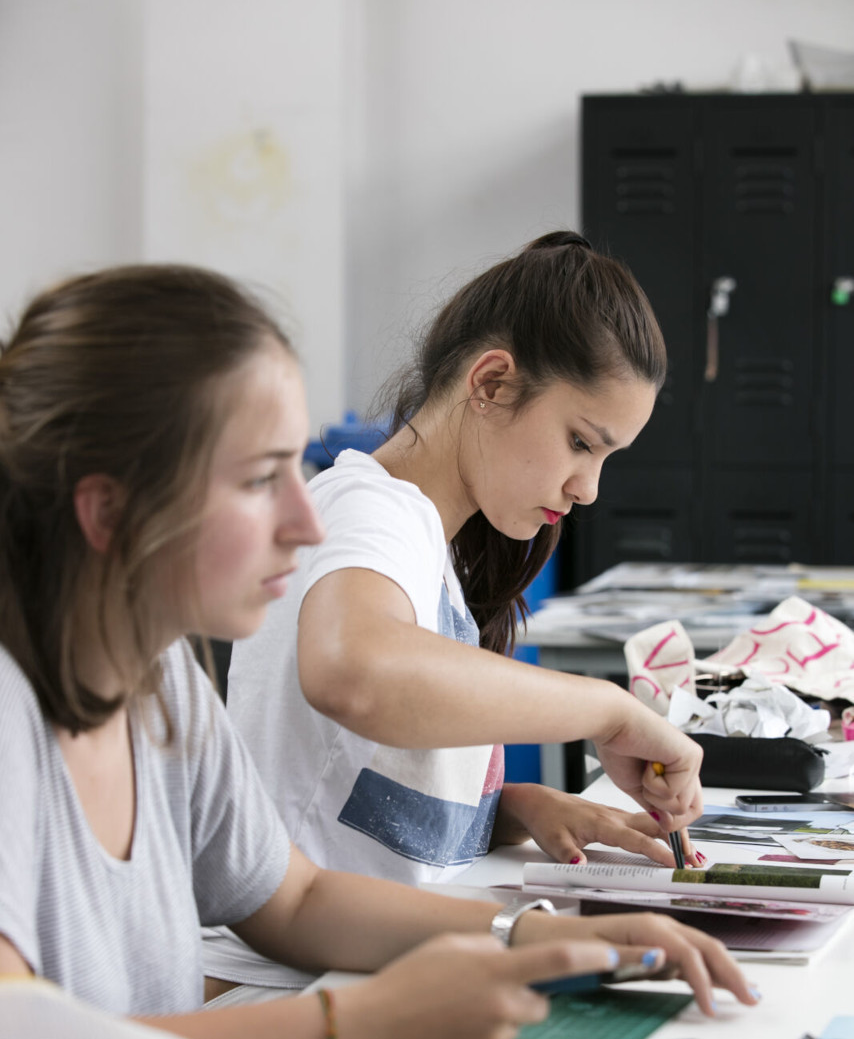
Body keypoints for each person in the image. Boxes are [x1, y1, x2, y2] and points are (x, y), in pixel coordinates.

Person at [0, 263, 756, 1039]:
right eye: (261, 479)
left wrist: (528, 932)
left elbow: (296, 898)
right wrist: (354, 1029)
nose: (305, 520)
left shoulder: (161, 677)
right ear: (107, 511)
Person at [217, 231, 711, 991]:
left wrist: (513, 806)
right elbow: (355, 673)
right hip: (284, 991)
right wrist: (608, 712)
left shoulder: (435, 549)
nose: (588, 489)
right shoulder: (370, 510)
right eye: (580, 442)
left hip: (360, 971)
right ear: (492, 383)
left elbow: (350, 788)